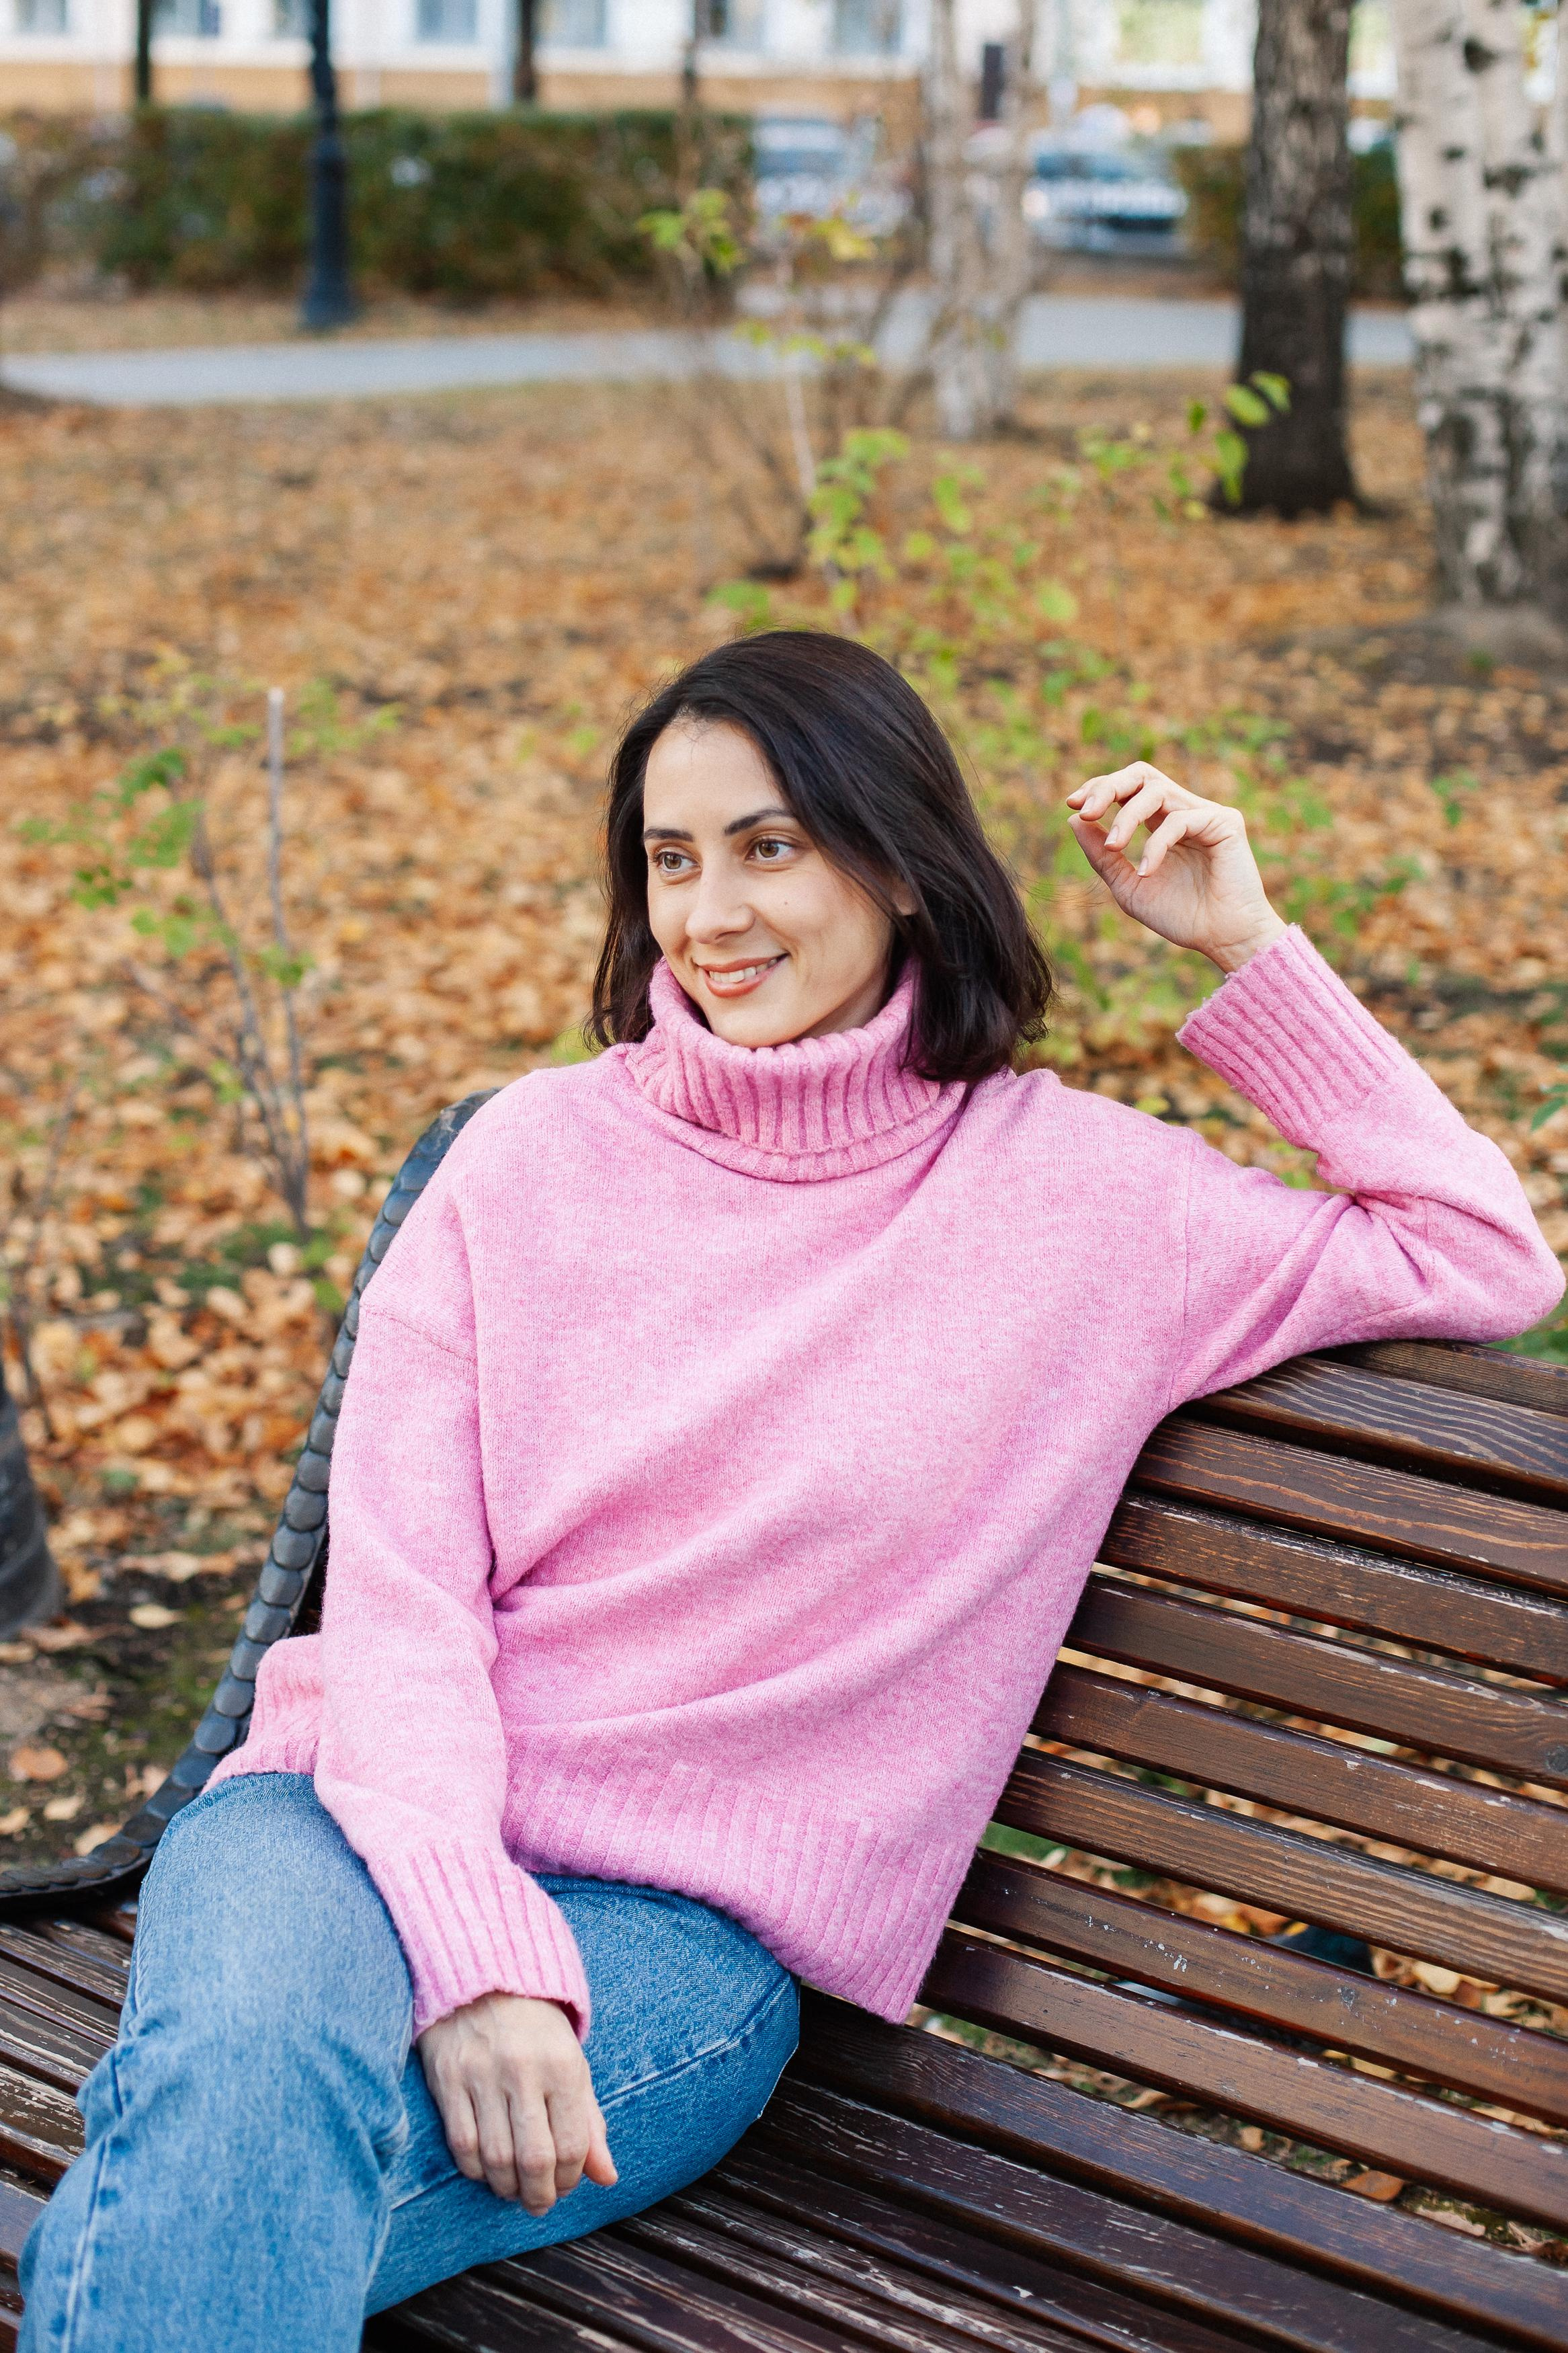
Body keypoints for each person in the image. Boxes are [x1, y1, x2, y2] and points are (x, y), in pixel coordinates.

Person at [20, 631, 1562, 2350]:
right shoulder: (526, 1161)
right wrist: (474, 1950)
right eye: (670, 860)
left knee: (192, 2196)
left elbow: (1478, 1252)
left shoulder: (1088, 1208)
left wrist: (1240, 939)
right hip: (343, 1819)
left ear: (901, 864)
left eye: (771, 846)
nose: (711, 912)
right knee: (241, 2101)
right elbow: (400, 1602)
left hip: (678, 1941)